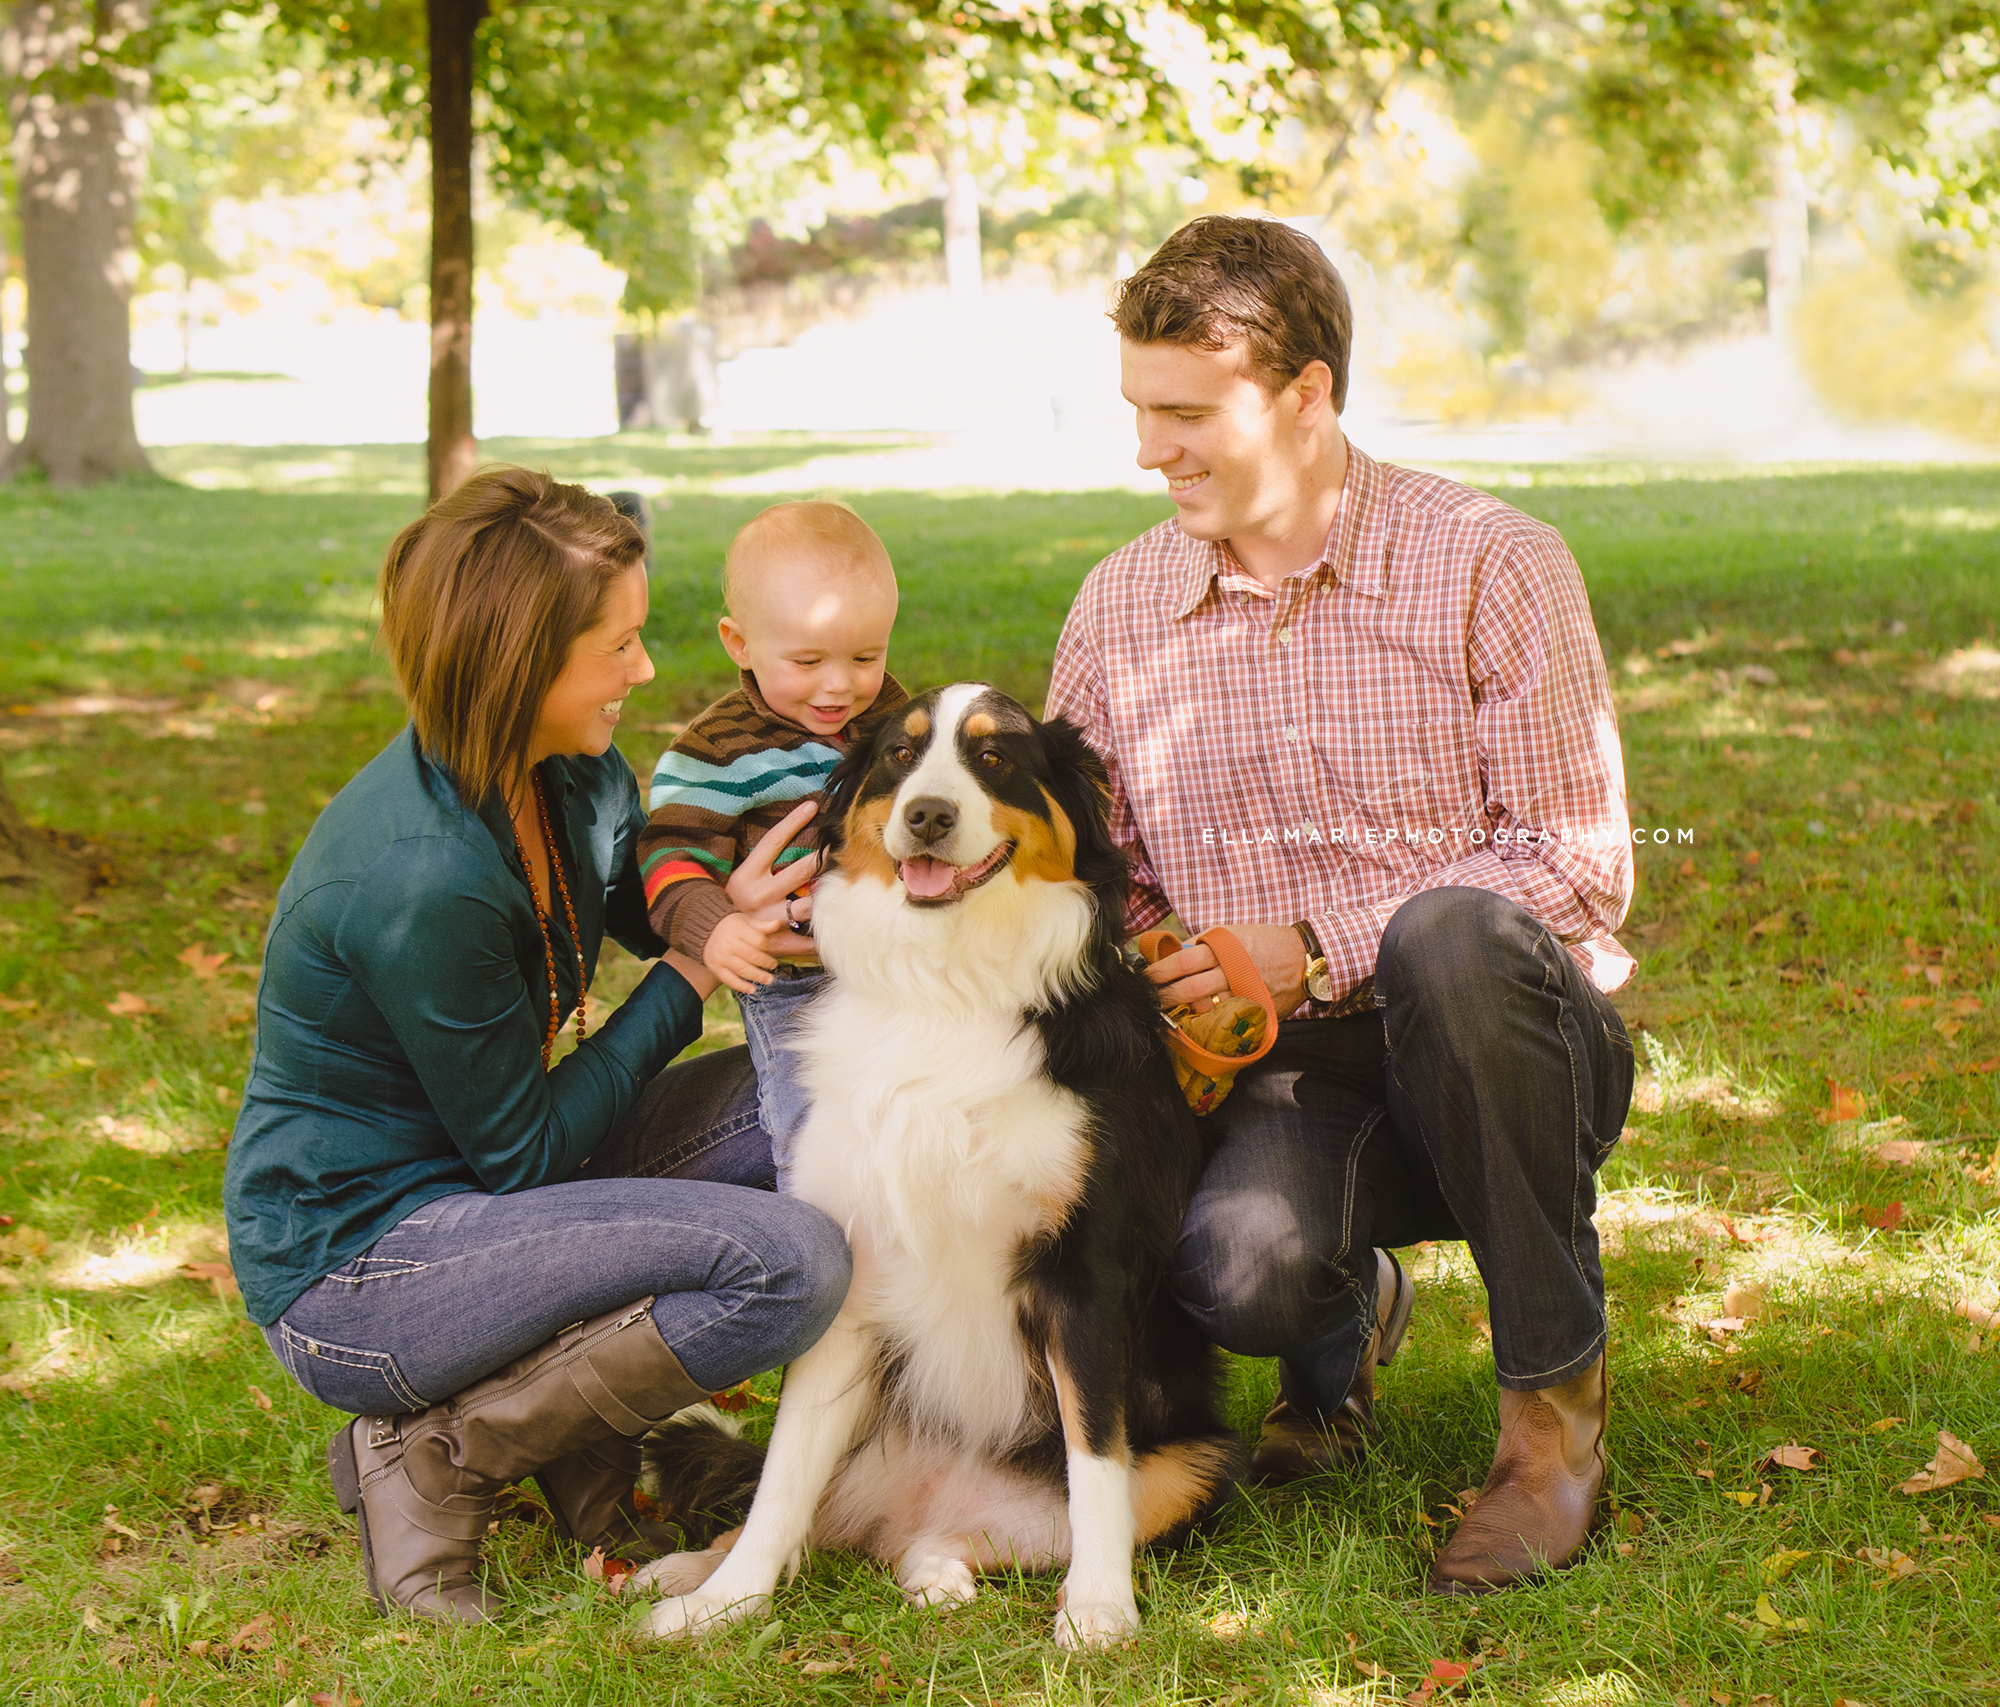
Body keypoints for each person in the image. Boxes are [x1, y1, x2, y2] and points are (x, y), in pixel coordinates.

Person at [1045, 215, 1637, 1593]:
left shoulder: (1493, 561)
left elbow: (1580, 860)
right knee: (1242, 1264)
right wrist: (1163, 968)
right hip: (1285, 1076)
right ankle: (1342, 1321)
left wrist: (1313, 943)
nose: (1150, 450)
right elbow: (1101, 871)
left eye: (1186, 412)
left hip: (1511, 1035)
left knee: (1446, 932)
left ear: (1307, 394)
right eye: (1139, 411)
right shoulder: (1120, 609)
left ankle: (1552, 1426)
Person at [222, 467, 851, 1624]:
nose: (645, 670)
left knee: (832, 1095)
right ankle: (437, 1452)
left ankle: (570, 1423)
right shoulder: (422, 879)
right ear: (520, 662)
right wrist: (692, 969)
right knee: (790, 1261)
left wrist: (725, 907)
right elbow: (529, 1159)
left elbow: (642, 904)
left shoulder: (568, 771)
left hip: (495, 1191)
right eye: (616, 646)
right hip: (362, 1264)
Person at [637, 500, 905, 1192]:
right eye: (808, 659)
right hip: (799, 987)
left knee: (922, 1109)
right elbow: (670, 856)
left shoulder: (894, 717)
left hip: (904, 958)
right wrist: (715, 925)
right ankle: (819, 1254)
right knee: (814, 1127)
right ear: (739, 642)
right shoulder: (716, 752)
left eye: (865, 656)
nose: (840, 683)